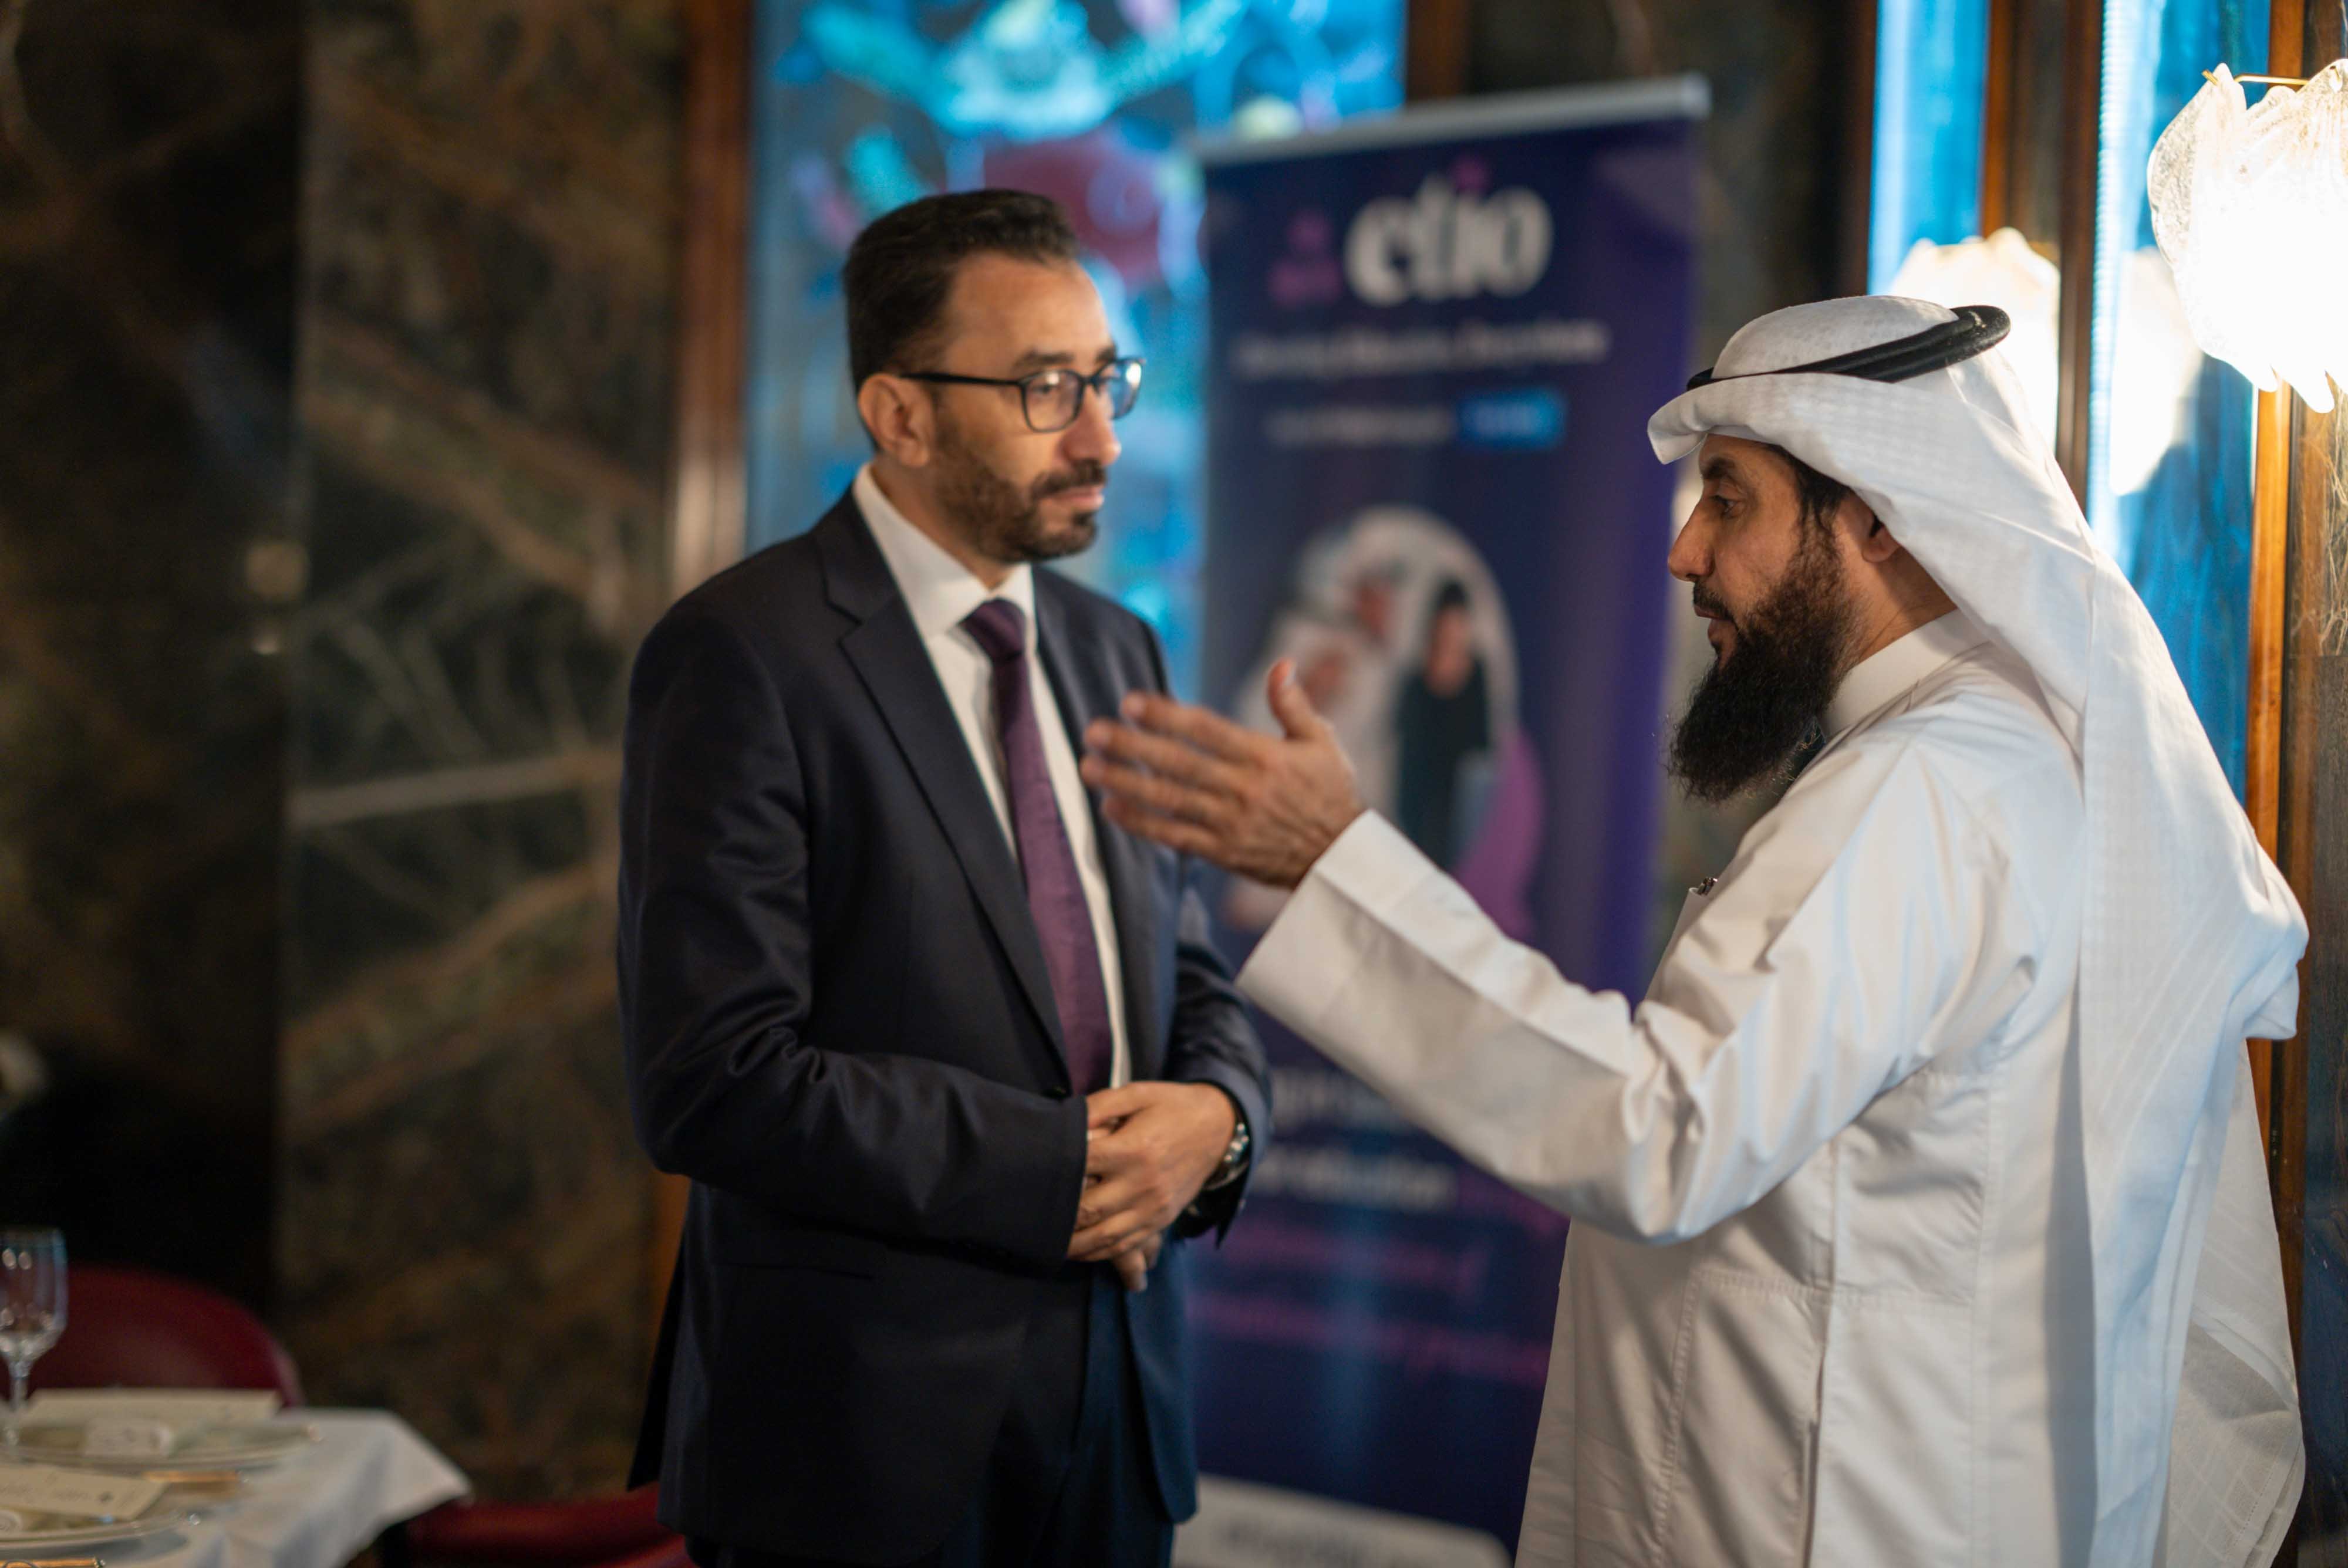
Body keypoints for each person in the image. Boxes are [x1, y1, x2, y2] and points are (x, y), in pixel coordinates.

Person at [1079, 296, 2305, 1566]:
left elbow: (1664, 1128)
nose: (1682, 552)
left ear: (1874, 514)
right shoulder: (1977, 763)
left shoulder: (1921, 793)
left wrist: (1334, 865)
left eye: (1728, 499)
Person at [619, 189, 1270, 1568]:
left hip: (1118, 1412)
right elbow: (713, 1073)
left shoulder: (1116, 648)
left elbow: (1185, 968)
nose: (1099, 433)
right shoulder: (744, 651)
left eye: (1105, 379)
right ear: (900, 415)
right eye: (1045, 388)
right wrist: (1071, 1164)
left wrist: (1215, 1121)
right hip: (856, 1441)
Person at [1392, 578, 1491, 867]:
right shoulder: (1415, 680)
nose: (1452, 630)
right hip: (1419, 806)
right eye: (1446, 622)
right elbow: (1406, 756)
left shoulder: (1476, 676)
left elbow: (1482, 748)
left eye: (1458, 623)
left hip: (1460, 804)